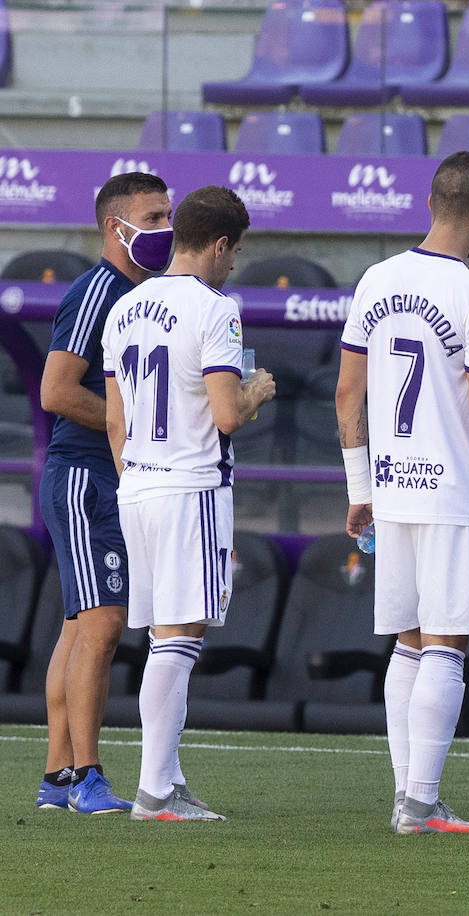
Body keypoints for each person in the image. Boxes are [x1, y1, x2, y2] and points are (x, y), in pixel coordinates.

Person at [335, 151, 469, 834]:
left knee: (409, 645)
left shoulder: (375, 280)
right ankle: (420, 801)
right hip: (450, 493)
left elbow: (347, 394)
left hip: (390, 492)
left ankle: (407, 797)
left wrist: (360, 486)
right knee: (444, 646)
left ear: (429, 203)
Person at [101, 185, 276, 821]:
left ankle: (165, 779)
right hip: (190, 486)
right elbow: (227, 416)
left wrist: (138, 473)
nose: (232, 264)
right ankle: (154, 790)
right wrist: (258, 391)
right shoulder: (215, 309)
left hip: (138, 486)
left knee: (160, 637)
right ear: (221, 244)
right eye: (234, 252)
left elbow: (116, 422)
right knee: (180, 637)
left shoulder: (127, 306)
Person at [35, 172, 172, 814]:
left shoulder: (140, 292)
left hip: (99, 478)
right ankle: (86, 775)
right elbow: (57, 391)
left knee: (79, 629)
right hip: (86, 477)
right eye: (152, 217)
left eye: (168, 215)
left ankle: (58, 775)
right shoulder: (100, 293)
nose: (165, 228)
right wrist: (133, 426)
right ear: (115, 227)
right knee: (103, 627)